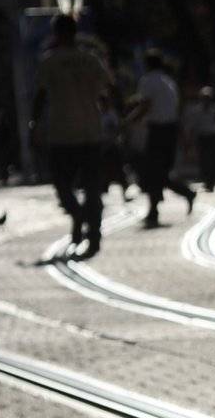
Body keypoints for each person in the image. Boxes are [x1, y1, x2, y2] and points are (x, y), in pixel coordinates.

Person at [31, 13, 112, 256]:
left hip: (62, 133)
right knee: (92, 187)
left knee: (62, 184)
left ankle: (79, 216)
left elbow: (41, 96)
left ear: (56, 33)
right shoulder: (91, 59)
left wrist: (34, 124)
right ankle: (93, 233)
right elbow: (106, 92)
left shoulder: (49, 61)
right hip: (90, 132)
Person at [128, 50, 195, 229]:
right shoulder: (168, 82)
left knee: (153, 172)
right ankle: (182, 195)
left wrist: (127, 122)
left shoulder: (148, 81)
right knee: (159, 173)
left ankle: (155, 209)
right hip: (170, 131)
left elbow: (146, 106)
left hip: (158, 131)